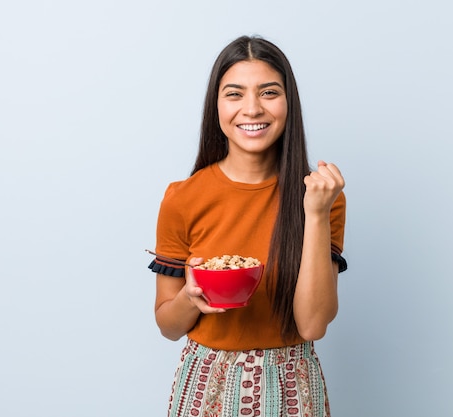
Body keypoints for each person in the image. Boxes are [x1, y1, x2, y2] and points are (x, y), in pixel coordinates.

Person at [148, 35, 347, 417]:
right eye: (235, 94)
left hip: (292, 385)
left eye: (269, 92)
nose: (252, 109)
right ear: (216, 105)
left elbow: (313, 324)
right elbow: (168, 327)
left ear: (289, 103)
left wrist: (317, 214)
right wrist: (191, 298)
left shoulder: (321, 196)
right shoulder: (182, 198)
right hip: (205, 386)